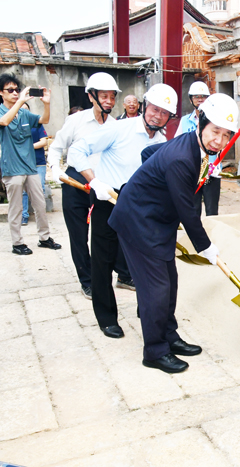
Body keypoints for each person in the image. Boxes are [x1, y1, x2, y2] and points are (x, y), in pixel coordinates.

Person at [109, 93, 235, 373]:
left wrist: (153, 180)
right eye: (215, 131)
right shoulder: (182, 158)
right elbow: (188, 211)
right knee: (157, 289)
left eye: (227, 135)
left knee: (170, 282)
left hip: (157, 220)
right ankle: (154, 351)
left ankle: (169, 336)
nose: (220, 141)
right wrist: (206, 247)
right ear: (201, 122)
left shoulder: (194, 146)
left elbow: (149, 154)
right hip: (138, 222)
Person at [67, 83, 174, 339]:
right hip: (108, 199)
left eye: (164, 113)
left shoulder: (163, 143)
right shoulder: (119, 128)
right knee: (102, 263)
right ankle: (106, 318)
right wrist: (95, 182)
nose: (157, 115)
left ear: (169, 117)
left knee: (145, 264)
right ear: (145, 105)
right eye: (154, 109)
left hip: (140, 208)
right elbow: (77, 151)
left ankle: (147, 311)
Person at [48, 72, 134, 300]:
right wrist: (55, 168)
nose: (108, 101)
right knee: (79, 235)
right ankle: (87, 281)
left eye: (112, 96)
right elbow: (56, 147)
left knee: (110, 231)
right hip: (75, 182)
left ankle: (123, 275)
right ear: (91, 96)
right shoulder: (76, 121)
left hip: (102, 185)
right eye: (103, 96)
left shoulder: (116, 125)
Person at [0, 73, 61, 255]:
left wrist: (47, 103)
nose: (15, 93)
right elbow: (4, 121)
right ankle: (17, 243)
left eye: (17, 90)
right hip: (12, 168)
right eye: (10, 90)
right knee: (16, 207)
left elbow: (44, 120)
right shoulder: (2, 112)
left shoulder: (24, 113)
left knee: (40, 204)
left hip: (30, 166)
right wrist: (20, 101)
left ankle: (44, 238)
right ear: (1, 93)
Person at [175, 81, 220, 216]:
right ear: (191, 99)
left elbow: (224, 142)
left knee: (212, 211)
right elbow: (177, 144)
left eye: (203, 96)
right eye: (196, 96)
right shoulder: (184, 121)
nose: (200, 99)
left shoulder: (216, 120)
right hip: (191, 172)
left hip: (212, 171)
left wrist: (217, 163)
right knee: (193, 210)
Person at [21, 102, 48, 226]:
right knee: (24, 191)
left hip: (38, 163)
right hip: (23, 164)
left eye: (26, 109)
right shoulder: (16, 125)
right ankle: (24, 215)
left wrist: (28, 147)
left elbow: (44, 142)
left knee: (40, 189)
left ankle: (41, 216)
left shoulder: (37, 124)